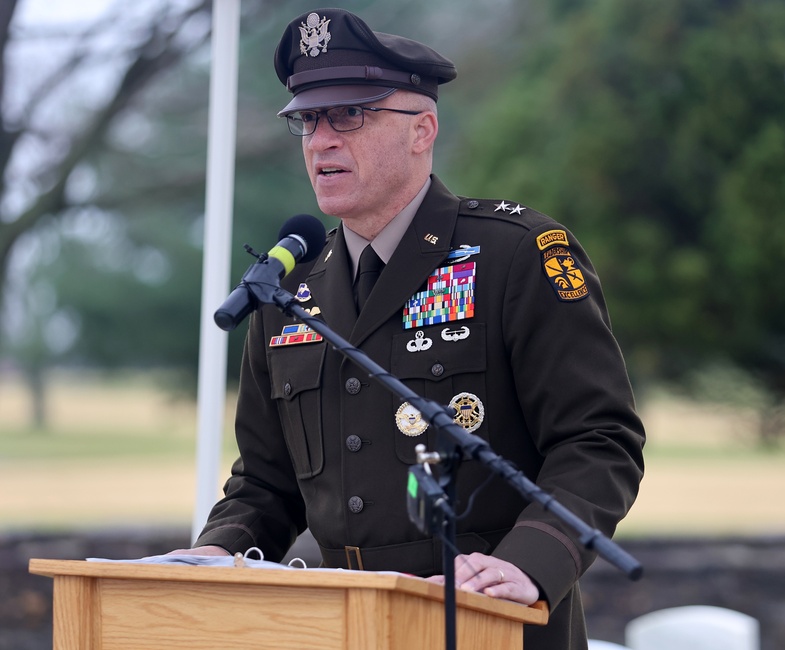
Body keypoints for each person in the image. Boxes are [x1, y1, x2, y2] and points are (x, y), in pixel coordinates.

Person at [170, 8, 644, 649]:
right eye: (309, 120)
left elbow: (598, 438)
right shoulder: (288, 289)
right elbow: (265, 482)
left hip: (489, 621)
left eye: (350, 115)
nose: (321, 140)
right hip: (341, 630)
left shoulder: (514, 254)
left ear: (423, 129)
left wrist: (532, 560)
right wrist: (212, 556)